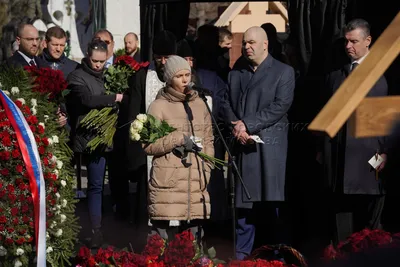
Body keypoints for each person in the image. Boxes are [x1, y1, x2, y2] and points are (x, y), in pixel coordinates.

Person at [221, 26, 295, 259]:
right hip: (243, 149)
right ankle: (241, 257)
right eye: (244, 43)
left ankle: (277, 258)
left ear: (265, 44)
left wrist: (248, 124)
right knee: (244, 210)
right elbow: (225, 103)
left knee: (272, 208)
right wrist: (236, 126)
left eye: (252, 42)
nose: (247, 47)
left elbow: (280, 106)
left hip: (269, 150)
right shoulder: (236, 73)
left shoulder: (284, 72)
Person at [318, 18, 388, 244]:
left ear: (368, 41)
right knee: (342, 229)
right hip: (339, 164)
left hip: (370, 163)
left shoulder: (382, 72)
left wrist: (383, 155)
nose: (348, 46)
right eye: (346, 41)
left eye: (354, 41)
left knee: (369, 229)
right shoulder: (335, 75)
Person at [109, 30, 177, 222]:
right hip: (149, 151)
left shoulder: (183, 75)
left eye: (167, 57)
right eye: (159, 57)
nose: (163, 62)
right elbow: (134, 115)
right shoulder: (142, 77)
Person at [144, 55, 213, 241]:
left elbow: (209, 139)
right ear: (169, 79)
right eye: (179, 76)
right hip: (169, 184)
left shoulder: (200, 105)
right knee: (162, 246)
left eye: (187, 74)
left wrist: (207, 169)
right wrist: (176, 138)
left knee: (192, 244)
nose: (185, 80)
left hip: (196, 182)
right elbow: (148, 144)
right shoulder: (158, 106)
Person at [66, 39, 124, 248]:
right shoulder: (77, 76)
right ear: (88, 56)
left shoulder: (109, 76)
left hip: (110, 138)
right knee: (95, 185)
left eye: (102, 61)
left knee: (109, 185)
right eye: (95, 60)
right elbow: (87, 100)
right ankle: (95, 230)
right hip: (91, 139)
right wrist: (114, 97)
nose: (98, 65)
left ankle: (113, 227)